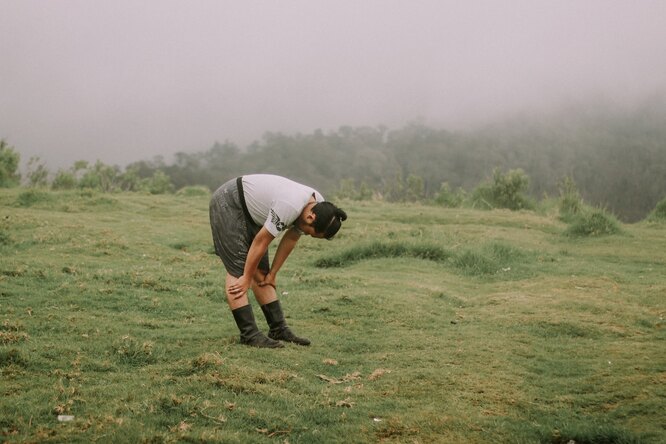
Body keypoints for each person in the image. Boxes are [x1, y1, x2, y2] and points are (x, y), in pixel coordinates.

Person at [209, 174, 347, 348]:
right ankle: (249, 335)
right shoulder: (290, 205)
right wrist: (246, 277)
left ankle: (278, 329)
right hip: (229, 202)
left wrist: (273, 273)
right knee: (238, 271)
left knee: (262, 273)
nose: (307, 235)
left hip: (252, 213)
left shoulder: (320, 206)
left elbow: (291, 238)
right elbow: (261, 241)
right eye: (311, 233)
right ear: (310, 218)